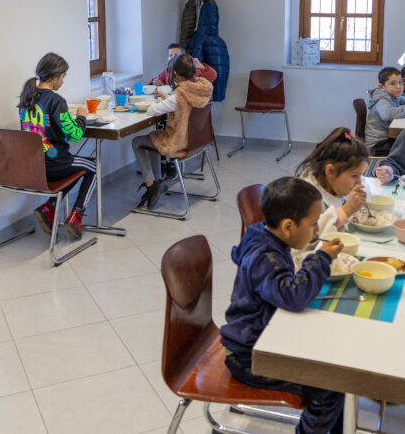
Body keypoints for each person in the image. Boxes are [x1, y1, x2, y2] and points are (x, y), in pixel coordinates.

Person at [220, 177, 346, 434]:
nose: (317, 232)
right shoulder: (264, 256)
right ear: (288, 226)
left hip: (267, 339)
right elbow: (293, 296)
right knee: (330, 389)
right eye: (313, 224)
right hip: (250, 357)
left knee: (336, 362)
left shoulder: (266, 236)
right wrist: (321, 258)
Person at [18, 53, 95, 238]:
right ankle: (76, 215)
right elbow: (74, 134)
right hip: (55, 165)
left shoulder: (27, 98)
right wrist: (81, 116)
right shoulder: (56, 101)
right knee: (92, 166)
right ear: (55, 77)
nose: (63, 81)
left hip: (33, 166)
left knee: (78, 168)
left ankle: (50, 207)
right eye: (63, 76)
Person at [132, 53, 213, 210]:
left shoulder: (179, 96)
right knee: (154, 138)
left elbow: (152, 110)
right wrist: (167, 98)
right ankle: (158, 181)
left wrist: (162, 101)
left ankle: (151, 186)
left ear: (174, 73)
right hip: (196, 142)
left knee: (137, 142)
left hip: (179, 144)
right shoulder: (202, 90)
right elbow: (180, 104)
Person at [295, 127, 369, 243]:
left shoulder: (332, 183)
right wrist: (346, 211)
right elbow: (310, 239)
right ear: (330, 171)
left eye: (361, 175)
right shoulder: (306, 198)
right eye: (354, 176)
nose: (359, 183)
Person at [365, 67, 405, 153]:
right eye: (393, 83)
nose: (398, 86)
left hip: (387, 138)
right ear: (382, 87)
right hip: (377, 143)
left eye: (400, 82)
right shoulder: (381, 99)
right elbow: (387, 114)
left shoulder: (395, 96)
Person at [148, 42, 217, 86]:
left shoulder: (192, 71)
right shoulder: (166, 71)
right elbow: (158, 80)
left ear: (184, 57)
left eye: (176, 55)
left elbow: (212, 75)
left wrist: (201, 66)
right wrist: (155, 83)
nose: (173, 57)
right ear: (167, 58)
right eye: (170, 55)